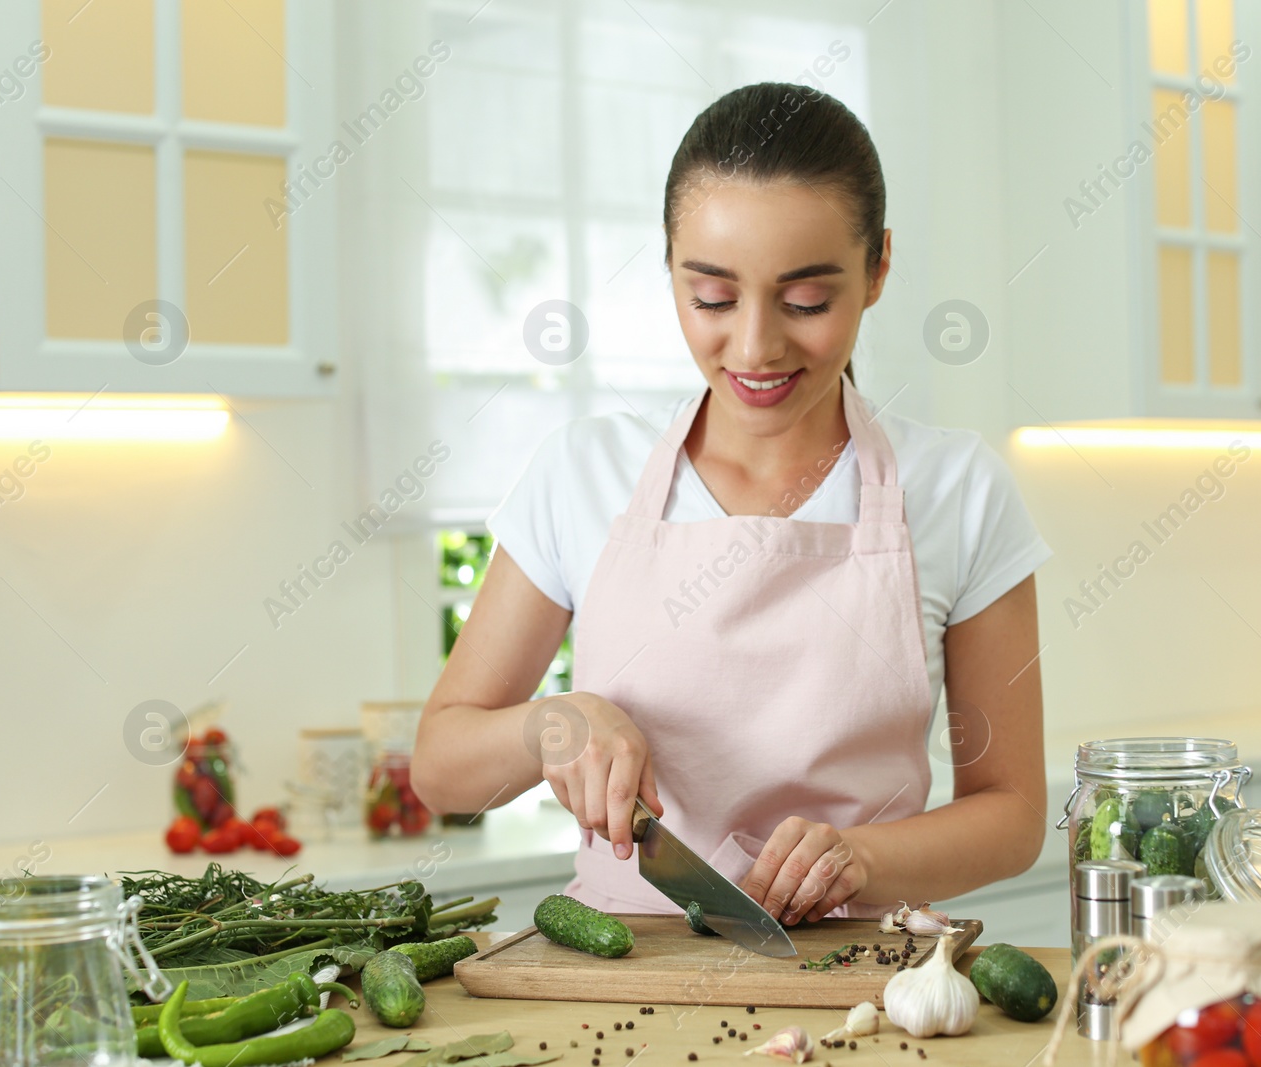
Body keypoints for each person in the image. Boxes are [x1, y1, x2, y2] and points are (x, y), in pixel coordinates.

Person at [414, 82, 1050, 926]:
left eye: (807, 301)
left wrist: (862, 857)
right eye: (712, 296)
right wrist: (554, 725)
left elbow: (1011, 812)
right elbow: (441, 766)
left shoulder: (960, 490)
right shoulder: (581, 471)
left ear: (879, 267)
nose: (754, 346)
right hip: (619, 966)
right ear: (670, 265)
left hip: (862, 979)